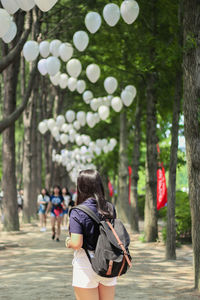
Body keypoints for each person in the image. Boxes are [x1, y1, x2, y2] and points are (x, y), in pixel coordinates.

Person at [65, 169, 117, 300]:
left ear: (81, 187)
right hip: (108, 263)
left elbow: (77, 243)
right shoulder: (109, 208)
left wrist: (68, 242)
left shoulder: (77, 211)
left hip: (86, 264)